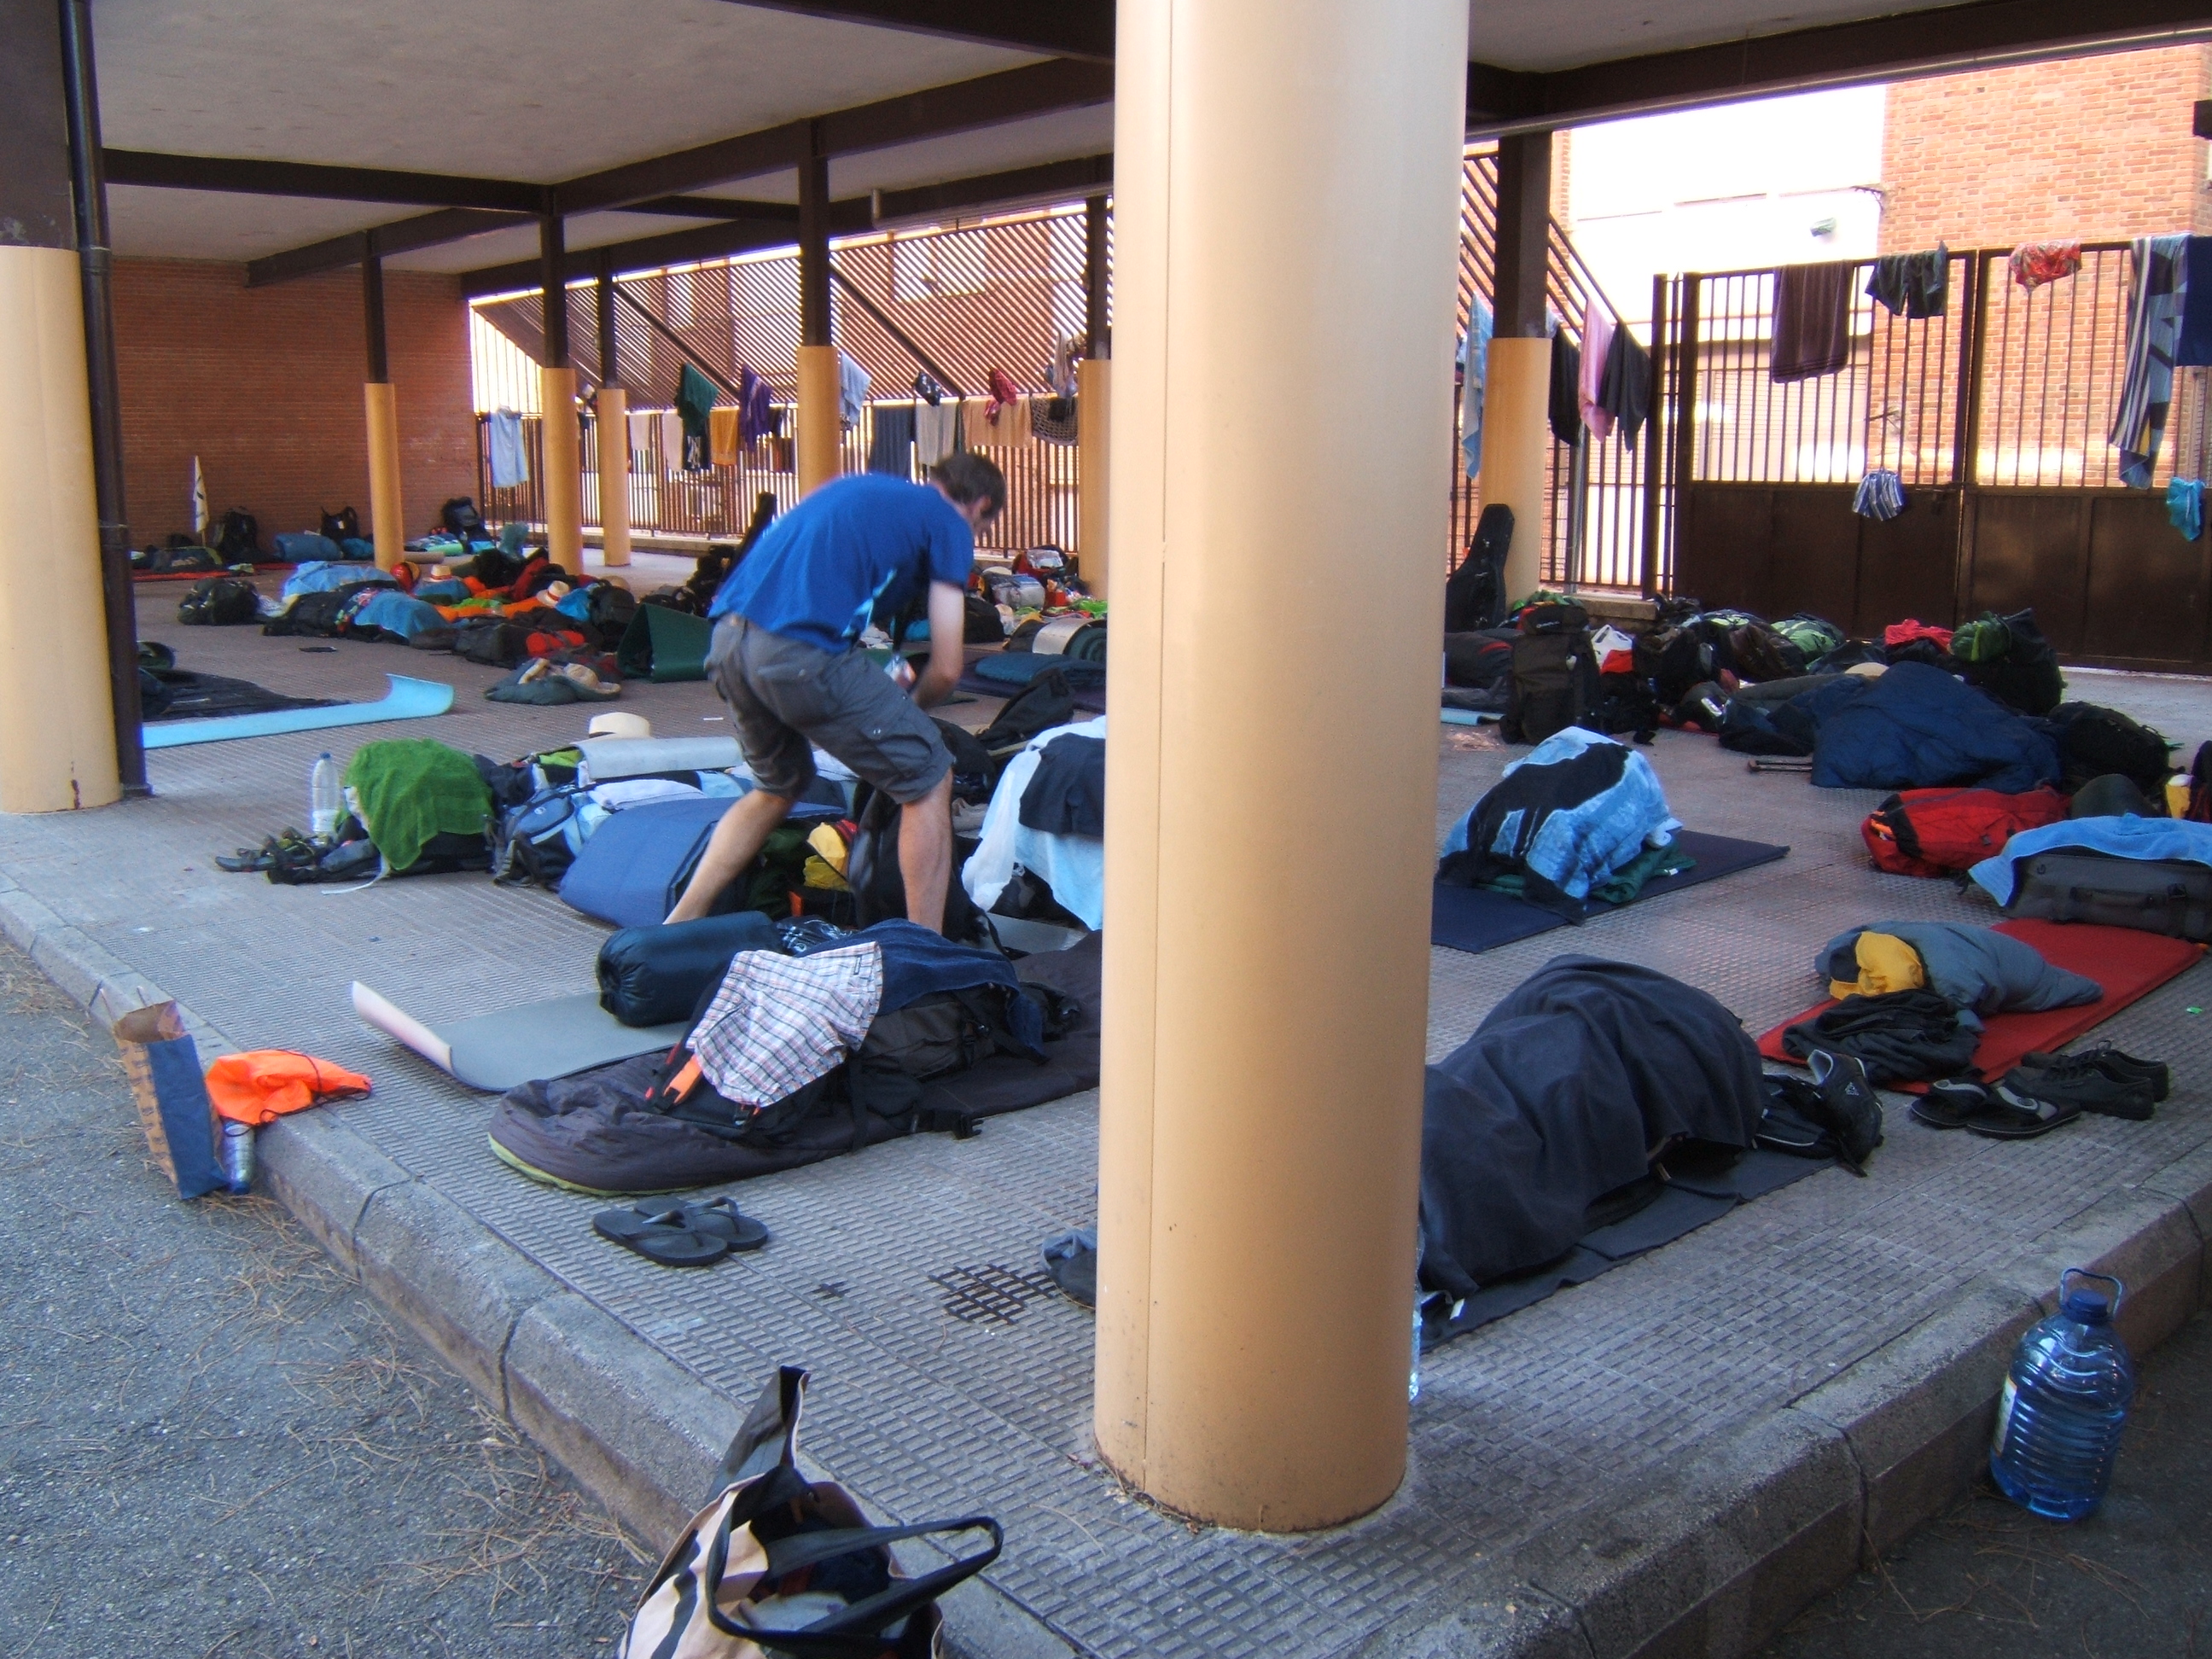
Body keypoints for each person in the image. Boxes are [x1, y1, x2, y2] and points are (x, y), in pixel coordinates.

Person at [664, 453, 1007, 930]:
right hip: (797, 652)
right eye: (984, 527)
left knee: (778, 786)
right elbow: (948, 668)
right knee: (929, 774)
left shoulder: (862, 489)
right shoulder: (948, 521)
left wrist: (888, 703)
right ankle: (925, 950)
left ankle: (679, 924)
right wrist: (910, 712)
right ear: (981, 504)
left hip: (728, 641)